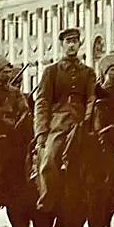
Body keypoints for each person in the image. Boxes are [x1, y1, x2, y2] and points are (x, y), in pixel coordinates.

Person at [33, 28, 96, 213]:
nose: (72, 45)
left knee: (108, 159)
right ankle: (48, 198)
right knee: (49, 159)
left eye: (75, 41)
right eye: (68, 41)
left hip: (83, 121)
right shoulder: (51, 71)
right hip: (58, 121)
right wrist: (41, 132)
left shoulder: (88, 72)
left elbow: (91, 98)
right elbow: (43, 101)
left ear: (79, 44)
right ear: (62, 45)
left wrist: (87, 119)